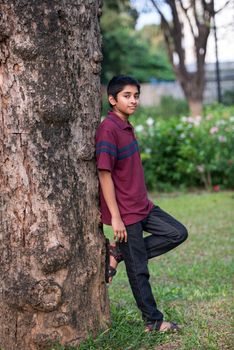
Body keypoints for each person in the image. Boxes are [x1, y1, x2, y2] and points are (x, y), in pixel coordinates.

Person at [95, 75, 188, 333]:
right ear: (112, 100)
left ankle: (119, 254)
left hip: (143, 205)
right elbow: (104, 174)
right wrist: (115, 217)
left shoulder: (126, 125)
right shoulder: (109, 129)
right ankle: (153, 321)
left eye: (136, 95)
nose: (133, 100)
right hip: (126, 213)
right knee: (140, 271)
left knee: (177, 232)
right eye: (127, 96)